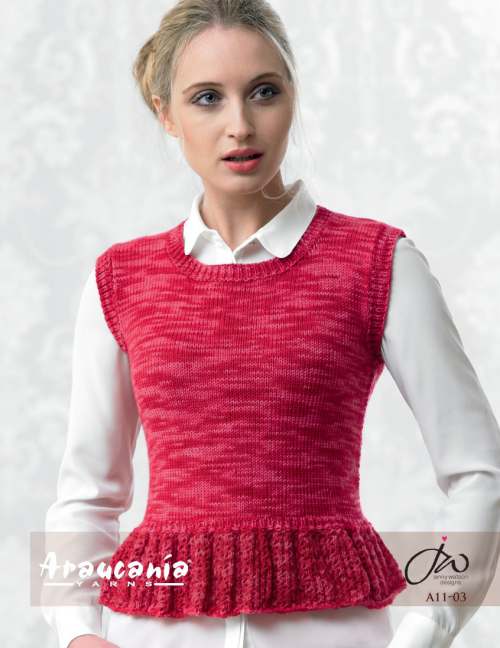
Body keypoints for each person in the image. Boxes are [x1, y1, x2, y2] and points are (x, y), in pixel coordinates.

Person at [41, 1, 500, 647]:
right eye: (207, 98)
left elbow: (481, 473)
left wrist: (426, 628)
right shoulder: (122, 277)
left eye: (263, 92)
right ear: (166, 114)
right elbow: (87, 495)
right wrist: (76, 633)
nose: (240, 125)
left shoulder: (376, 262)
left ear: (292, 96)